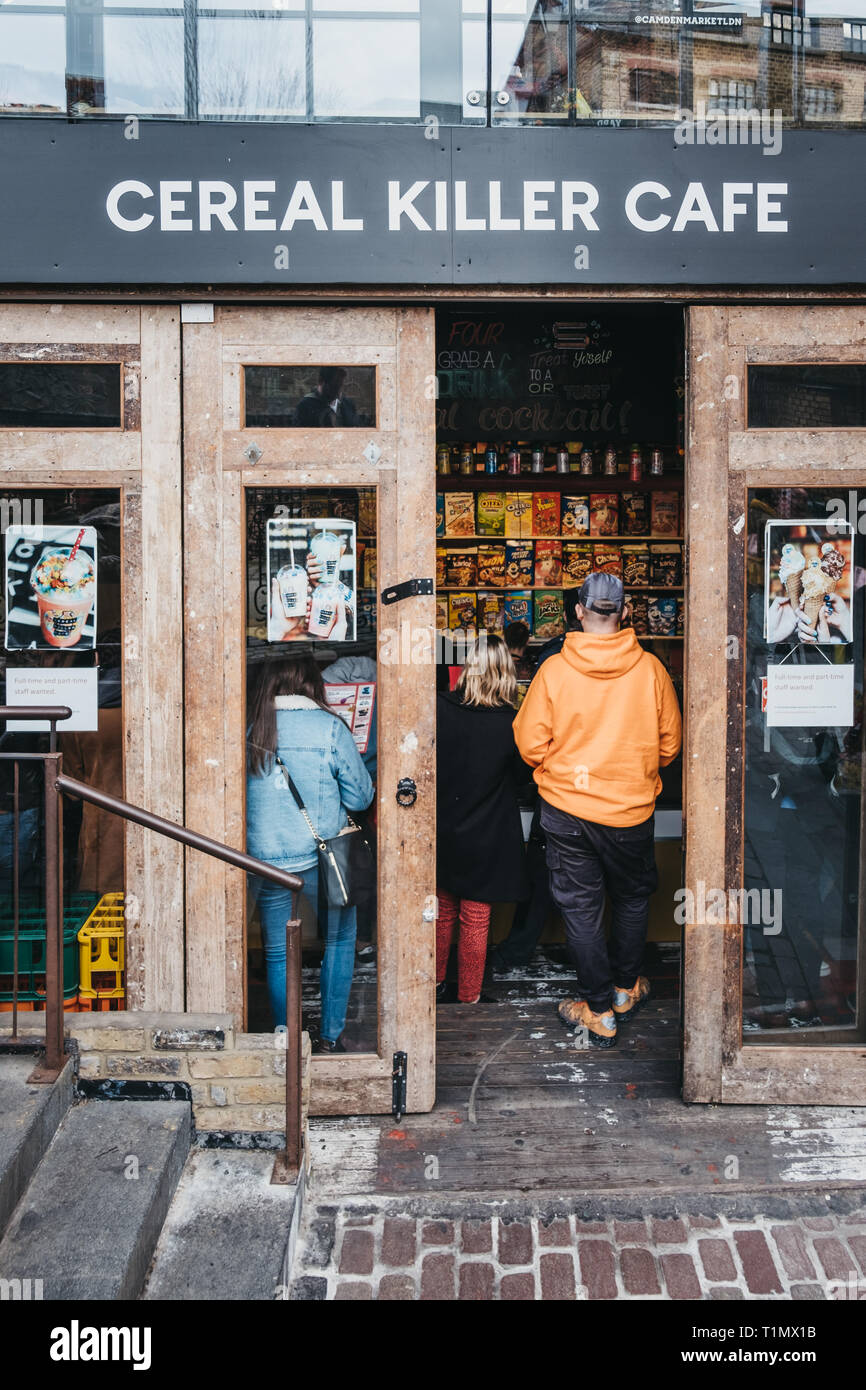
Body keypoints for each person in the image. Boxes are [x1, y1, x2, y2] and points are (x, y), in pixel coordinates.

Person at [513, 572, 682, 1047]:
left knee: (581, 909)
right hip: (631, 810)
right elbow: (670, 745)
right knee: (631, 899)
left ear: (579, 612)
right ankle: (626, 990)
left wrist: (565, 768)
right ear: (625, 612)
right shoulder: (650, 670)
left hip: (568, 811)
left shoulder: (554, 670)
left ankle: (598, 1009)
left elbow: (529, 746)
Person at [246, 656, 373, 1052]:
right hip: (323, 856)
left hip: (265, 860)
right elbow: (360, 795)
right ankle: (331, 1035)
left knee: (279, 952)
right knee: (339, 941)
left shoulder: (251, 730)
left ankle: (286, 1035)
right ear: (312, 684)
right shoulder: (330, 729)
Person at [492, 587, 584, 974]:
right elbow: (667, 743)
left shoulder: (554, 658)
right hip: (617, 797)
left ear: (571, 614)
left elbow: (530, 740)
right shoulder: (642, 661)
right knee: (600, 885)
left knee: (543, 870)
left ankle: (517, 950)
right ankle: (598, 962)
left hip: (561, 789)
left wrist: (544, 767)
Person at [436, 634, 529, 1003]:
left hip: (444, 827)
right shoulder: (513, 723)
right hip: (489, 833)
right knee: (475, 917)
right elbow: (524, 777)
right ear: (505, 671)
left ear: (467, 669)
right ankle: (470, 994)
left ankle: (435, 982)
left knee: (442, 911)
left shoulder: (440, 708)